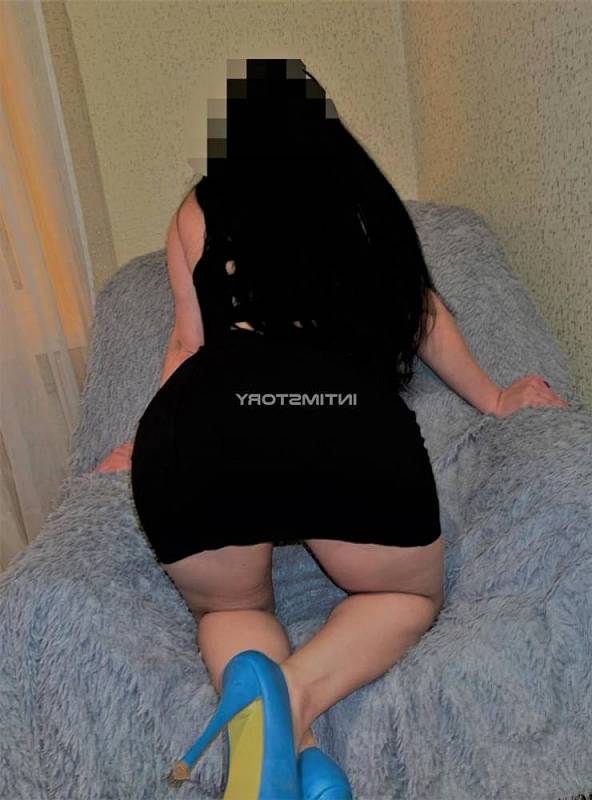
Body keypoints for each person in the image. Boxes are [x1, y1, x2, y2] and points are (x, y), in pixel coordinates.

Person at [93, 58, 569, 799]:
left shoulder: (195, 210)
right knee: (408, 598)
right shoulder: (359, 198)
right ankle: (295, 701)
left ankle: (285, 748)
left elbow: (188, 346)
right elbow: (423, 315)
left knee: (234, 609)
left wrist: (146, 437)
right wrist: (496, 398)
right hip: (333, 418)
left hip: (201, 431)